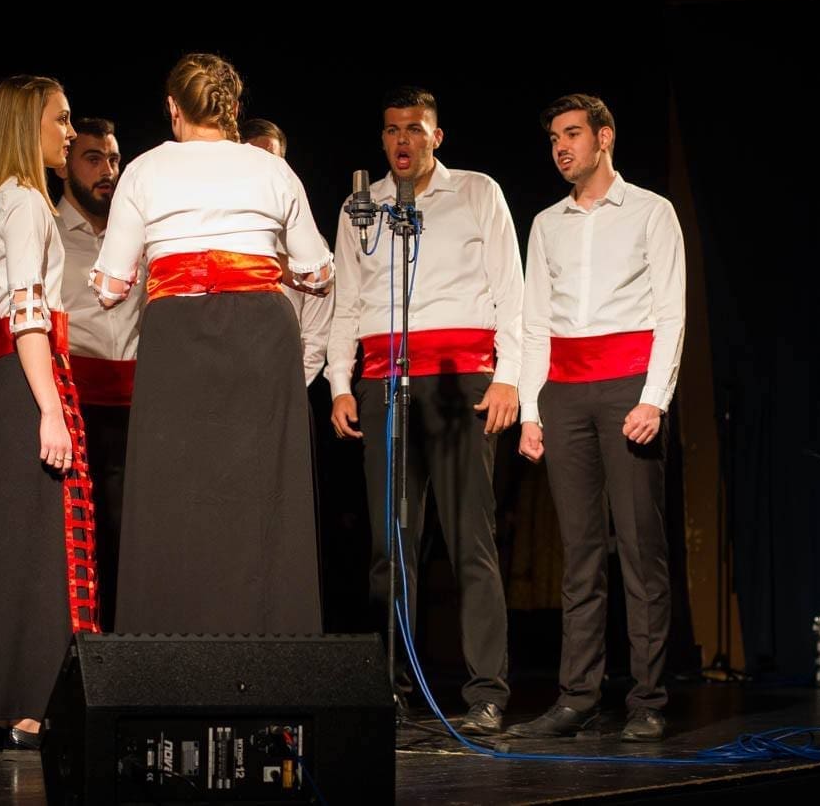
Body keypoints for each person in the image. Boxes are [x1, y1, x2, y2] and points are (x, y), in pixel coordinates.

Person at [92, 53, 333, 637]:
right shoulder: (272, 170)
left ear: (173, 108)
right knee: (260, 486)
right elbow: (319, 272)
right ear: (233, 109)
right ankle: (270, 634)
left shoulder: (144, 170)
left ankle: (171, 638)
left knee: (174, 486)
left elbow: (109, 289)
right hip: (260, 334)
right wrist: (264, 264)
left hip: (177, 335)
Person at [326, 86, 522, 735]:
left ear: (437, 136)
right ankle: (390, 690)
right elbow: (347, 301)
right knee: (391, 546)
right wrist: (340, 382)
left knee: (471, 541)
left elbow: (510, 290)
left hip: (463, 382)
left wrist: (509, 378)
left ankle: (486, 691)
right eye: (391, 130)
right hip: (385, 384)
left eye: (413, 128)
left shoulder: (476, 192)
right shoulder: (363, 207)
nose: (401, 140)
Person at [508, 94, 685, 743]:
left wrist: (654, 397)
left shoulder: (650, 211)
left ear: (603, 137)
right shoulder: (546, 223)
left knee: (640, 549)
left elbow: (670, 311)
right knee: (580, 554)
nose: (561, 147)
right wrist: (531, 410)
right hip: (565, 393)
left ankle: (647, 699)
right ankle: (576, 697)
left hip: (627, 390)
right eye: (554, 137)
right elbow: (534, 321)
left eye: (572, 134)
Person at [0, 74, 96, 750]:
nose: (70, 132)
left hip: (0, 383)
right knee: (44, 546)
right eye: (61, 119)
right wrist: (50, 409)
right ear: (30, 126)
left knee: (1, 547)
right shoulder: (27, 202)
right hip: (30, 377)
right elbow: (28, 315)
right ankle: (35, 704)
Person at [54, 116, 140, 628]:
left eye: (113, 159)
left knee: (131, 532)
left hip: (135, 404)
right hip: (73, 404)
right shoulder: (46, 229)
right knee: (79, 537)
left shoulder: (134, 233)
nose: (108, 170)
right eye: (93, 159)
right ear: (65, 166)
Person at [240, 117, 333, 386]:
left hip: (286, 387)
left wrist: (290, 390)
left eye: (273, 162)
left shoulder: (309, 249)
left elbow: (315, 338)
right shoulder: (220, 234)